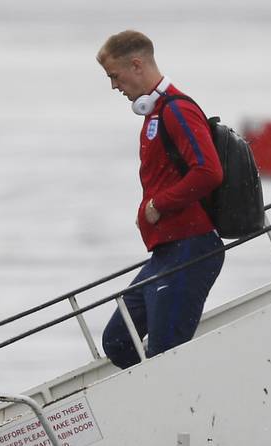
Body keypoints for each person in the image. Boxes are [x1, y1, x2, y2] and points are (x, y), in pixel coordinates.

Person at [97, 30, 225, 369]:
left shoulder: (177, 110)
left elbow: (209, 172)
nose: (114, 86)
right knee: (117, 341)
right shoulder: (152, 114)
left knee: (166, 353)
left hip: (191, 247)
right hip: (165, 251)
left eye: (115, 76)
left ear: (136, 64)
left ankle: (178, 407)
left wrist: (158, 205)